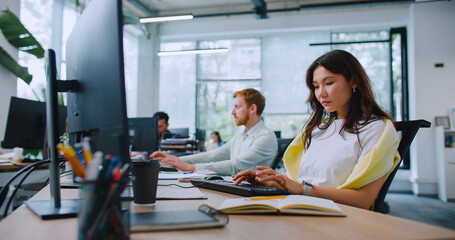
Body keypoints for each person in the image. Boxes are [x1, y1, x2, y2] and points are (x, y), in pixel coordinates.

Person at [233, 50, 400, 209]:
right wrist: (272, 180)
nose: (321, 94)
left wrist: (303, 189)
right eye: (316, 86)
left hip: (338, 216)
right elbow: (301, 182)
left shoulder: (377, 129)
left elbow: (363, 200)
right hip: (298, 207)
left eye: (329, 83)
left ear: (354, 81)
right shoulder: (317, 130)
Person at [150, 88, 278, 176]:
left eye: (237, 107)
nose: (233, 112)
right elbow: (212, 156)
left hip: (254, 196)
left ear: (252, 108)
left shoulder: (265, 137)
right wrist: (175, 160)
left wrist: (190, 167)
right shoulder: (241, 137)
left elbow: (236, 165)